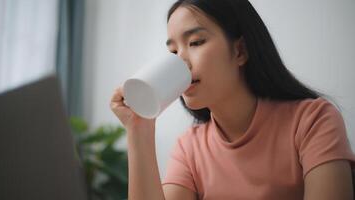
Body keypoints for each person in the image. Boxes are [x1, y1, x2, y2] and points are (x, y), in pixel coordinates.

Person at [110, 0, 355, 199]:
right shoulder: (189, 148)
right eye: (173, 51)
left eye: (195, 42)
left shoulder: (313, 120)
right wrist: (139, 130)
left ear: (240, 51)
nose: (179, 61)